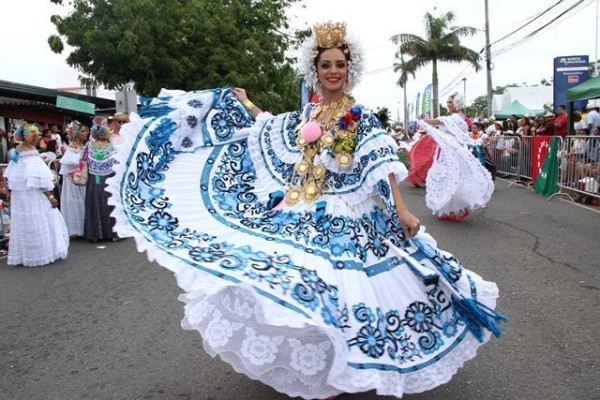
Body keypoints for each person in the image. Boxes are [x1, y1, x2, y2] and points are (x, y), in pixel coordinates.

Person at [106, 21, 505, 399]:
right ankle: (326, 368)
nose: (333, 71)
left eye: (340, 65)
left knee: (345, 291)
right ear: (315, 70)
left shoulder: (359, 114)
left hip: (350, 212)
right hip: (303, 205)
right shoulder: (310, 112)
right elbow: (273, 127)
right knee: (299, 284)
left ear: (350, 70)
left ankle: (347, 366)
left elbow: (381, 163)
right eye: (326, 65)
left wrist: (401, 210)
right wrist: (247, 104)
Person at [418, 93, 495, 221]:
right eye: (447, 102)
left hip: (450, 152)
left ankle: (456, 209)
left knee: (449, 177)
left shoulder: (454, 118)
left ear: (456, 104)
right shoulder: (460, 118)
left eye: (450, 102)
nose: (448, 104)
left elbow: (439, 121)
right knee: (453, 178)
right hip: (451, 151)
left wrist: (422, 121)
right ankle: (451, 209)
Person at [4, 123, 69, 266]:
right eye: (35, 135)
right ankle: (41, 253)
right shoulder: (32, 157)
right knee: (40, 221)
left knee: (26, 224)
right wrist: (51, 197)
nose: (37, 138)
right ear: (31, 138)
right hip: (34, 198)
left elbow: (11, 182)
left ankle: (28, 255)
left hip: (21, 199)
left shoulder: (17, 155)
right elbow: (41, 181)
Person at [83, 118, 119, 241]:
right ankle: (112, 233)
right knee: (109, 204)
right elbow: (116, 162)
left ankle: (96, 234)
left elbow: (83, 159)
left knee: (95, 203)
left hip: (95, 178)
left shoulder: (89, 145)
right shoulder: (110, 146)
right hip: (108, 178)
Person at [59, 121, 89, 237]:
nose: (85, 133)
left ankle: (84, 227)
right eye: (82, 131)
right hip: (73, 182)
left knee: (83, 202)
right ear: (76, 134)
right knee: (76, 203)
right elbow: (70, 163)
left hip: (82, 179)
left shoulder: (83, 146)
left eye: (86, 131)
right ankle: (76, 229)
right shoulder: (72, 147)